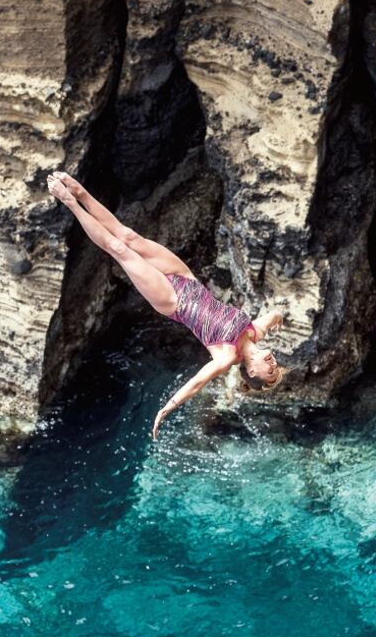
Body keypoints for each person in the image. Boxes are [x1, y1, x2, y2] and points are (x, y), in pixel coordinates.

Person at [46, 172, 286, 440]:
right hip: (187, 279)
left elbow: (196, 384)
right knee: (129, 237)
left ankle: (69, 201)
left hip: (174, 301)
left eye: (270, 371)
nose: (273, 363)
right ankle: (81, 192)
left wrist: (166, 409)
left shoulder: (227, 358)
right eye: (276, 366)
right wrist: (280, 319)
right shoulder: (257, 331)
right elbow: (275, 315)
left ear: (251, 371)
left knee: (119, 249)